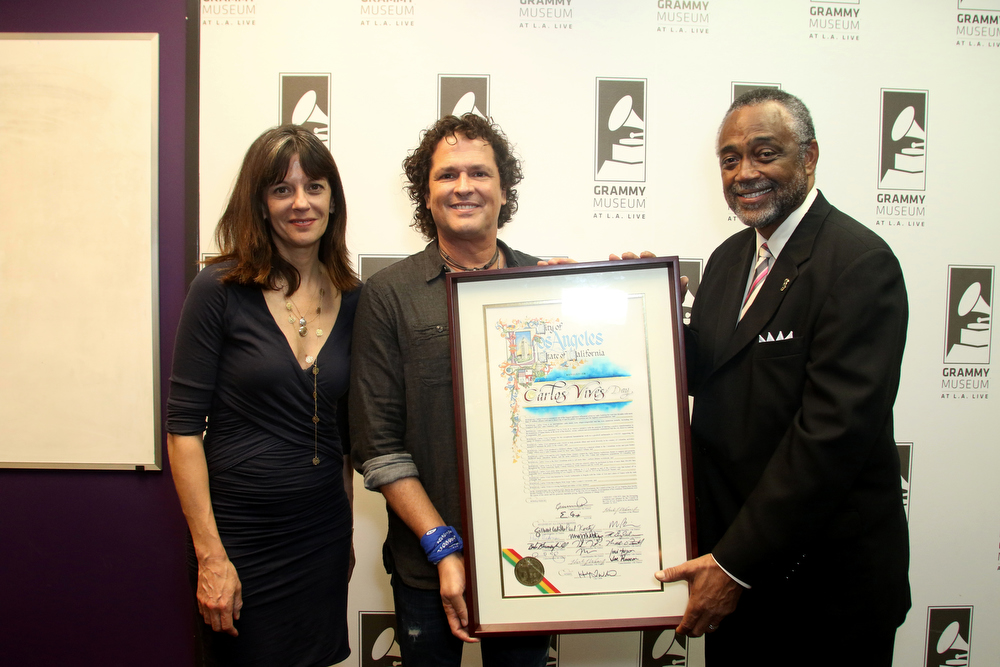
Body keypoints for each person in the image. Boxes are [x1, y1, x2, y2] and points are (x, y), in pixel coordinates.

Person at [653, 89, 911, 664]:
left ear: (809, 156)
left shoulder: (859, 264)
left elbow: (829, 440)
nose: (744, 173)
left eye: (764, 153)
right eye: (729, 159)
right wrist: (639, 314)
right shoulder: (727, 260)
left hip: (824, 594)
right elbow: (713, 369)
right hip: (737, 580)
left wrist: (733, 566)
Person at [350, 113, 552, 667]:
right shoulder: (389, 296)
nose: (464, 187)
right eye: (447, 175)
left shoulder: (548, 284)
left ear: (503, 189)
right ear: (426, 193)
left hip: (531, 559)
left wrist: (643, 301)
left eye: (479, 173)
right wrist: (444, 548)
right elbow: (376, 444)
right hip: (427, 563)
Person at [166, 125, 359, 666]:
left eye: (315, 187)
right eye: (282, 189)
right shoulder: (220, 289)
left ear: (332, 198)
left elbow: (341, 437)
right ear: (260, 203)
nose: (301, 203)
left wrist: (342, 532)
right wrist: (210, 557)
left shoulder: (354, 295)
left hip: (319, 535)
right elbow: (182, 433)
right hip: (238, 541)